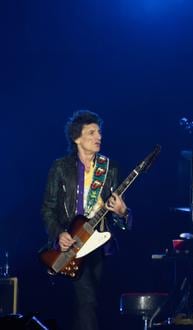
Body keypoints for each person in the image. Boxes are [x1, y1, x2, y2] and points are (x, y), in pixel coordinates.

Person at [41, 110, 132, 330]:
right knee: (86, 300)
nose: (98, 136)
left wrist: (122, 212)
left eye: (99, 132)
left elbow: (121, 215)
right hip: (71, 245)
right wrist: (58, 233)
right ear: (77, 138)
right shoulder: (60, 167)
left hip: (99, 246)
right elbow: (48, 209)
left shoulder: (109, 168)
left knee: (91, 305)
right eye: (91, 132)